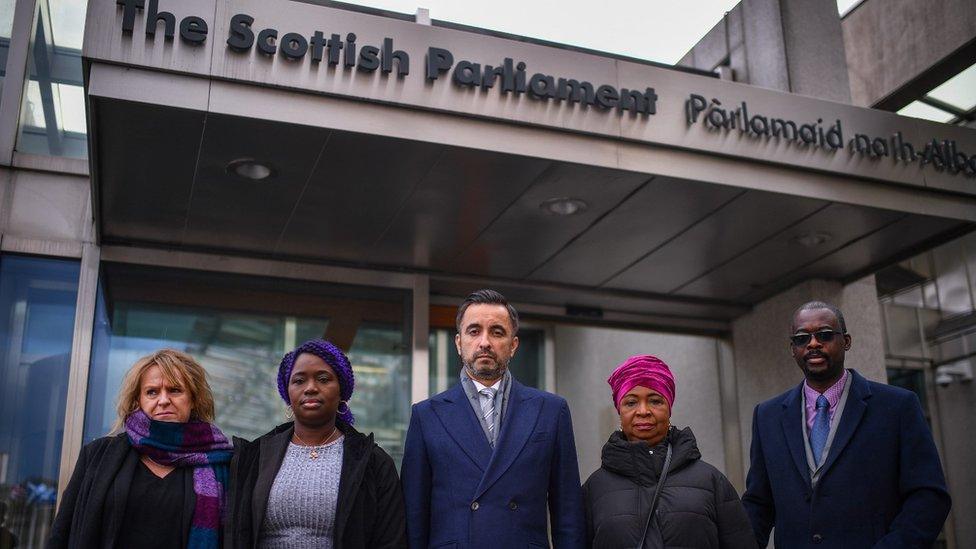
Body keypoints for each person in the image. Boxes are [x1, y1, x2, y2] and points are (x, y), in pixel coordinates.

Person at [742, 301, 952, 547]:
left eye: (825, 335)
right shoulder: (767, 416)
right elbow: (759, 503)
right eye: (802, 338)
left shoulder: (897, 407)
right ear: (792, 349)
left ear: (847, 341)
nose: (813, 344)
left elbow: (929, 497)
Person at [401, 289, 585, 549]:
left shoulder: (551, 411)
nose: (484, 342)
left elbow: (568, 513)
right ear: (458, 342)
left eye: (497, 332)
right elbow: (414, 515)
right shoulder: (426, 415)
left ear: (513, 345)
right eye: (474, 331)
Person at [224, 338, 406, 549]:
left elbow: (391, 540)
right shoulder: (254, 456)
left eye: (323, 379)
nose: (310, 388)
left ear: (341, 392)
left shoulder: (373, 463)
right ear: (288, 392)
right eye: (299, 381)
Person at [49, 349, 233, 549]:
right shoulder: (97, 455)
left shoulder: (221, 462)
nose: (163, 400)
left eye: (175, 390)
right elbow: (62, 533)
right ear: (138, 400)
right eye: (152, 392)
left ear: (194, 400)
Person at [583, 355, 756, 549]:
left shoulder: (710, 480)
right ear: (619, 411)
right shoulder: (594, 489)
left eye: (655, 401)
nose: (643, 411)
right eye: (631, 402)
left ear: (669, 408)